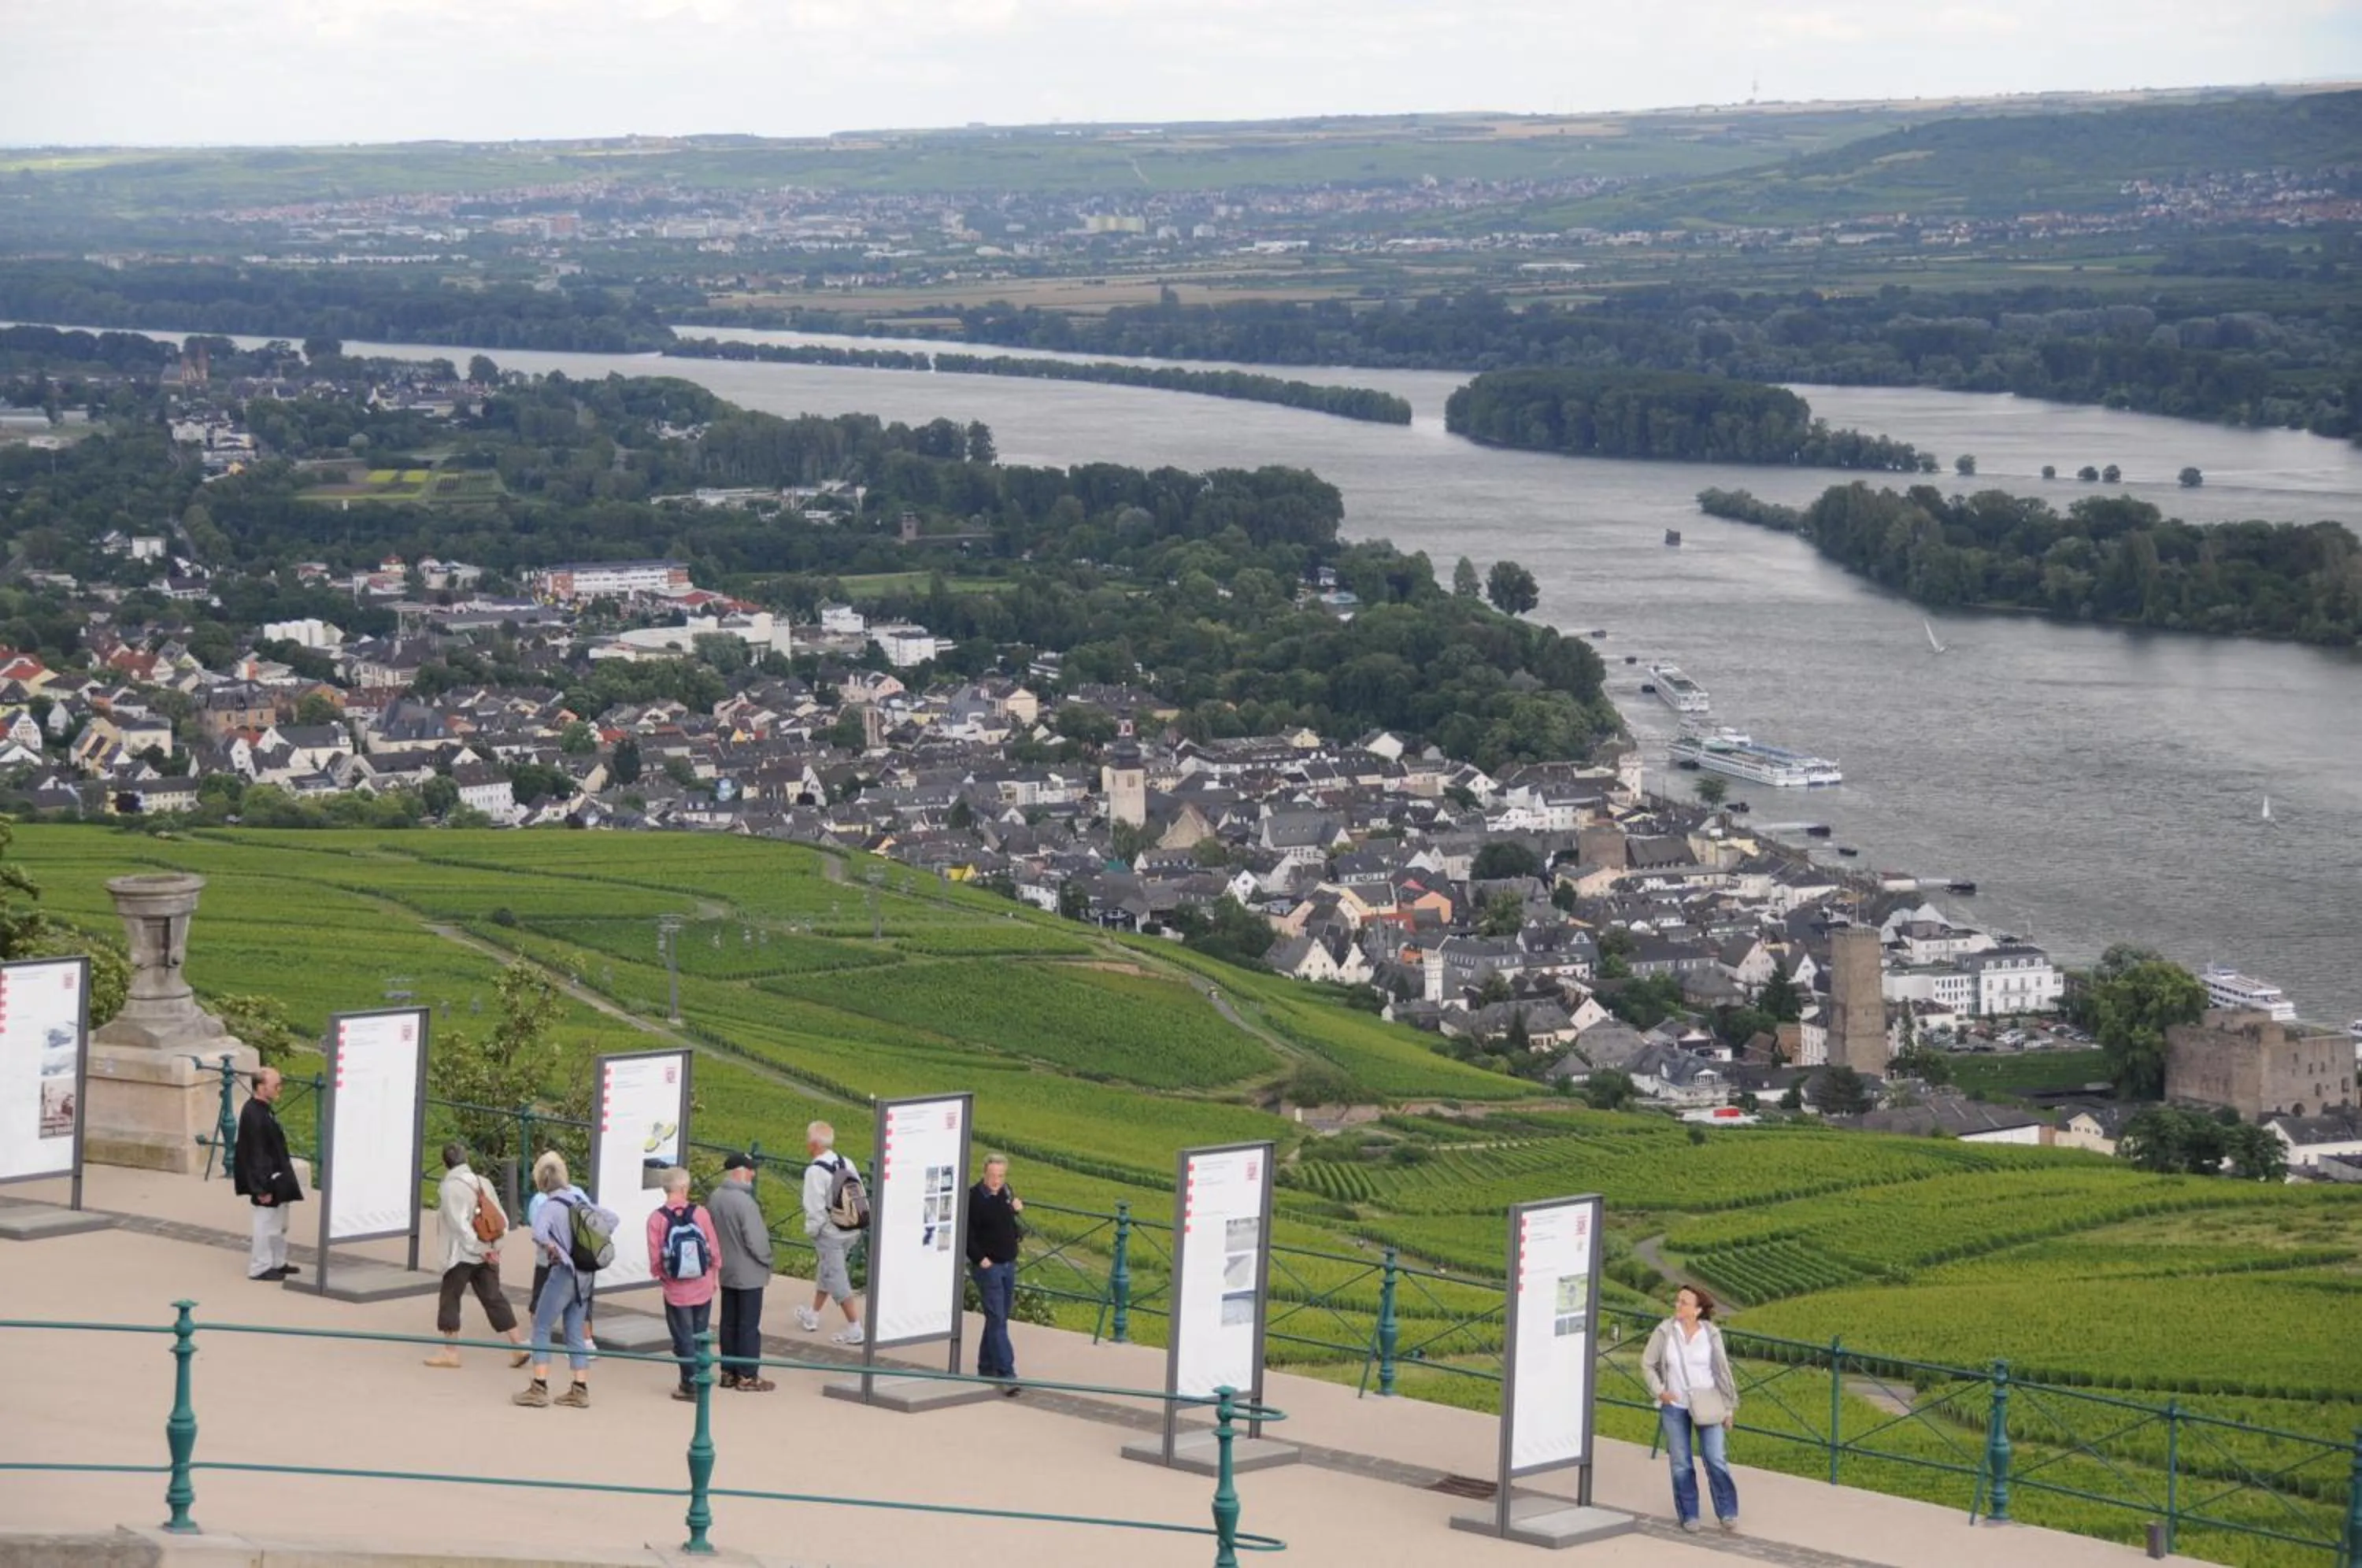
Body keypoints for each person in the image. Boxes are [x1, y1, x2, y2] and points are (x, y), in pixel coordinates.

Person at [515, 1151, 613, 1410]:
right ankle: (579, 1389)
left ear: (542, 1182)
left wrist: (553, 1248)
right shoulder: (579, 1200)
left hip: (564, 1273)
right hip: (585, 1275)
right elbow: (612, 1219)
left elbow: (537, 1233)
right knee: (574, 1329)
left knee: (541, 1325)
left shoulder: (549, 1206)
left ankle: (539, 1386)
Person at [1642, 1285, 1741, 1534]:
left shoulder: (1711, 1334)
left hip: (1708, 1404)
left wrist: (1729, 1408)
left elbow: (1723, 1372)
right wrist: (1659, 1391)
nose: (1678, 1305)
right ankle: (1689, 1514)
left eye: (1684, 1302)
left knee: (1715, 1459)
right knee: (1681, 1463)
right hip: (1674, 1406)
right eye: (1677, 1301)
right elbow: (1647, 1363)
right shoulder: (1665, 1331)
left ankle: (1727, 1511)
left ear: (1697, 1310)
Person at [424, 1141, 529, 1370]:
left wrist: (478, 1249)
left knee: (450, 1298)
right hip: (487, 1252)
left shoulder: (449, 1188)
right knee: (494, 1297)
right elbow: (500, 1218)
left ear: (445, 1163)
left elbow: (459, 1226)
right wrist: (493, 1248)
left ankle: (450, 1352)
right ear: (466, 1159)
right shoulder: (484, 1182)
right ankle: (518, 1345)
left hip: (460, 1255)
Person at [647, 1166, 721, 1402]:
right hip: (703, 1285)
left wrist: (665, 1278)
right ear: (684, 1187)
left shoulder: (656, 1218)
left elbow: (656, 1259)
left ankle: (690, 1385)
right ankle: (700, 1379)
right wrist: (714, 1276)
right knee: (700, 1335)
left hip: (676, 1291)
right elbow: (714, 1248)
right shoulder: (700, 1213)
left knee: (682, 1336)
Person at [709, 1152, 775, 1392]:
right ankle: (747, 1375)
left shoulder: (715, 1197)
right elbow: (756, 1241)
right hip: (749, 1271)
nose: (754, 1173)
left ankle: (728, 1372)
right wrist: (768, 1259)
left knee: (728, 1322)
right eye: (750, 1169)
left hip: (726, 1268)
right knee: (748, 1324)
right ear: (740, 1172)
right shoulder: (745, 1202)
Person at [795, 1121, 864, 1344]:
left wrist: (813, 1231)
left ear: (814, 1144)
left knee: (836, 1276)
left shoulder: (815, 1171)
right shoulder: (847, 1162)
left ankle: (855, 1327)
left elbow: (814, 1208)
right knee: (828, 1268)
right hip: (851, 1228)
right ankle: (813, 1314)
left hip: (830, 1232)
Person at [231, 1066, 302, 1281]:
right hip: (267, 1179)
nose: (280, 1088)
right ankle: (261, 1266)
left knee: (279, 1222)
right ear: (261, 1087)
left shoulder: (261, 1109)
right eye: (276, 1085)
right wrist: (261, 1187)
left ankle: (276, 1262)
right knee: (266, 1222)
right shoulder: (254, 1114)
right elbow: (255, 1153)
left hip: (276, 1176)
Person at [964, 1153, 1024, 1394]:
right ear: (984, 1174)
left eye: (1000, 1176)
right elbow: (967, 1233)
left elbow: (1006, 1224)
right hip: (989, 1267)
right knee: (997, 1318)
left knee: (997, 1317)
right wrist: (981, 1259)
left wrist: (1014, 1210)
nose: (996, 1181)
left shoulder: (1005, 1194)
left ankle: (986, 1366)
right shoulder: (974, 1198)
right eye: (992, 1176)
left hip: (1008, 1264)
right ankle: (1007, 1374)